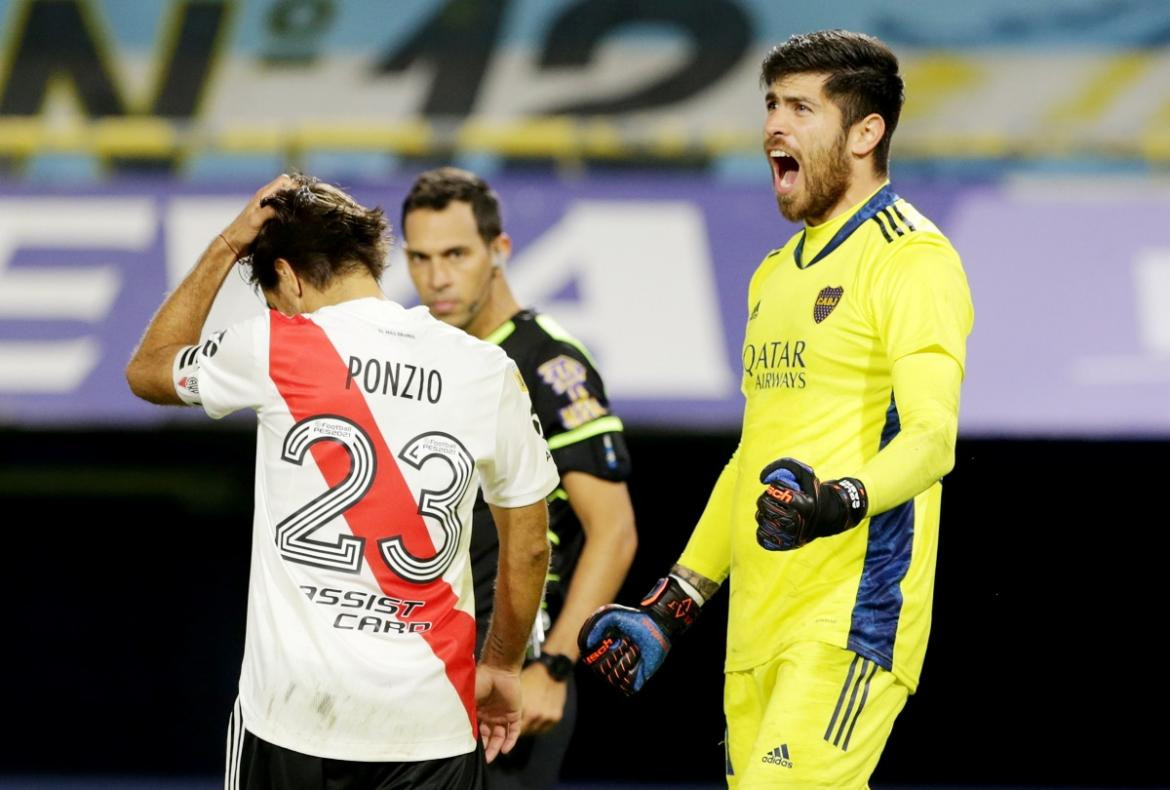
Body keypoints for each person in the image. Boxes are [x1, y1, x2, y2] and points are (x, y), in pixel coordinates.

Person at [578, 29, 974, 789]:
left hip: (850, 618)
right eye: (769, 105)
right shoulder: (772, 276)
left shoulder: (913, 258)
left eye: (799, 106)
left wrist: (837, 500)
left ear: (866, 132)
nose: (772, 127)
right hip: (755, 629)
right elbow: (752, 458)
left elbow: (932, 441)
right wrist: (676, 602)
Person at [125, 174, 558, 789]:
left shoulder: (275, 345)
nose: (282, 314)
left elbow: (147, 369)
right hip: (430, 726)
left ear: (291, 278)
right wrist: (505, 667)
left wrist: (227, 243)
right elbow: (532, 543)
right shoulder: (486, 368)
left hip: (290, 721)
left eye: (276, 300)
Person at [401, 167, 638, 790]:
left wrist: (553, 668)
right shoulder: (423, 354)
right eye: (420, 258)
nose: (438, 277)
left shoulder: (549, 362)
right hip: (428, 669)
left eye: (456, 254)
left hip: (516, 674)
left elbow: (614, 531)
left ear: (498, 251)